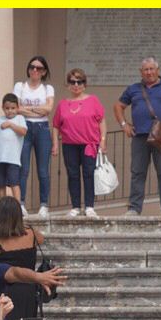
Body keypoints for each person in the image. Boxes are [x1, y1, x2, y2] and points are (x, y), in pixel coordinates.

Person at [113, 57, 161, 216]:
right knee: (137, 173)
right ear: (141, 72)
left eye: (151, 69)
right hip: (139, 136)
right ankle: (134, 208)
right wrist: (124, 125)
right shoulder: (134, 89)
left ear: (158, 70)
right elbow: (118, 106)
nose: (149, 72)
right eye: (146, 69)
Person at [52, 68, 106, 218]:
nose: (76, 85)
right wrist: (55, 144)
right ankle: (75, 206)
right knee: (73, 174)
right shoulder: (62, 104)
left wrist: (102, 141)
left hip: (89, 144)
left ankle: (89, 206)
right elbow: (56, 125)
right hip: (69, 145)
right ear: (68, 84)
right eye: (72, 82)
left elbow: (102, 121)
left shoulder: (93, 100)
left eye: (79, 82)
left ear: (84, 84)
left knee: (88, 174)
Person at [15, 55, 55, 218]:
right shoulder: (20, 86)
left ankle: (44, 204)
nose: (35, 70)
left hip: (42, 128)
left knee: (43, 170)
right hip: (24, 127)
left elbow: (48, 109)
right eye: (32, 67)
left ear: (44, 71)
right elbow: (17, 108)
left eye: (39, 68)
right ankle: (21, 203)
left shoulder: (48, 88)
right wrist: (38, 110)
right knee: (23, 168)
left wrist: (28, 109)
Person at [0, 93, 28, 203]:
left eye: (13, 108)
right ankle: (3, 207)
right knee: (1, 184)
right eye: (7, 108)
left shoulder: (20, 118)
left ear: (17, 108)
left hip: (12, 159)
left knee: (14, 183)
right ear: (3, 108)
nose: (10, 111)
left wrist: (10, 124)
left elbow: (23, 131)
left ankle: (18, 206)